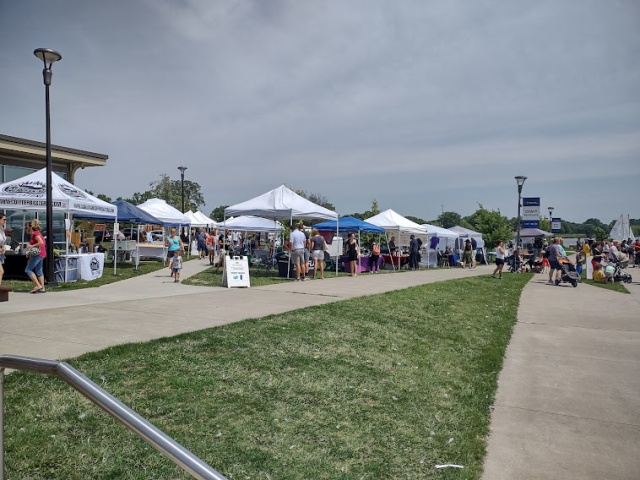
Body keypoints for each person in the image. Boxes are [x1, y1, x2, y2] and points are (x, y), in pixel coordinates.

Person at [24, 219, 46, 293]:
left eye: (26, 227)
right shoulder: (36, 233)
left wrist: (31, 246)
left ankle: (38, 285)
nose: (26, 229)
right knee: (39, 270)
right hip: (41, 253)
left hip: (38, 254)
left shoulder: (35, 234)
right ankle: (42, 287)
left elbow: (41, 242)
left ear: (30, 227)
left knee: (28, 270)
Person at [0, 213, 7, 285]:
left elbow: (3, 241)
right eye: (3, 219)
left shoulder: (1, 229)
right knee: (1, 271)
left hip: (1, 254)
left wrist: (4, 246)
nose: (5, 221)